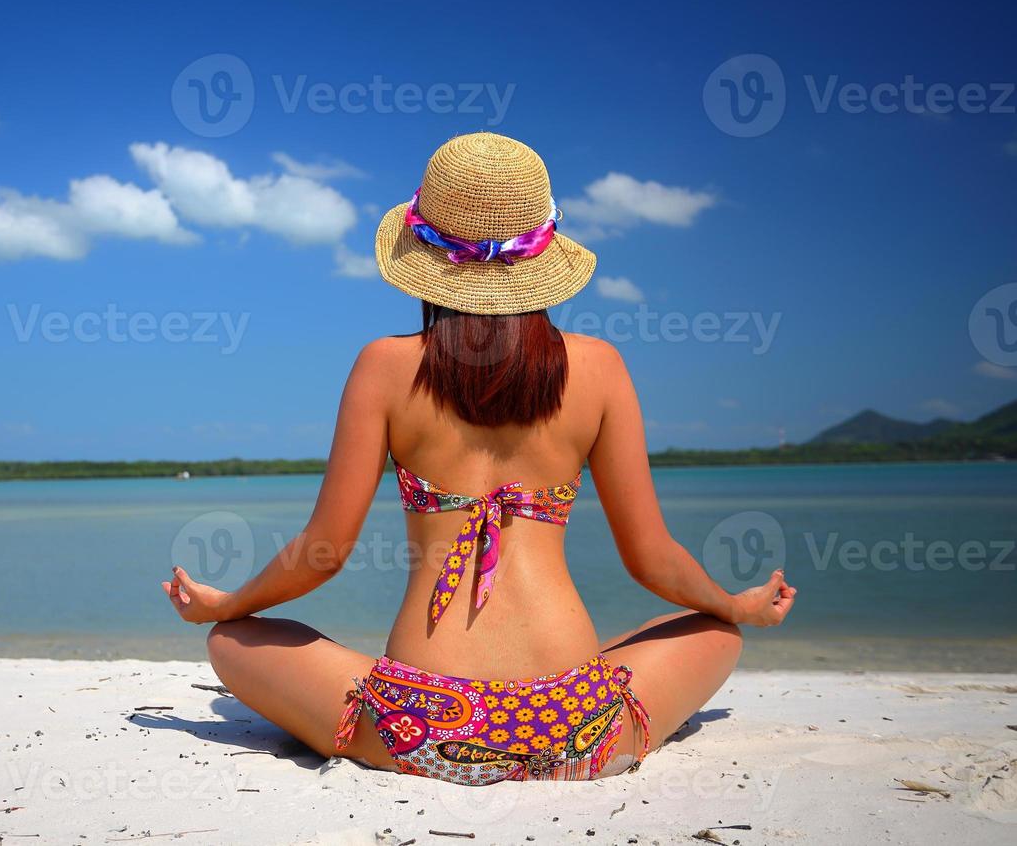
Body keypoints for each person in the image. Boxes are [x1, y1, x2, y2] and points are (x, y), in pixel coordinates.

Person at [162, 132, 795, 784]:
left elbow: (324, 550)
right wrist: (733, 604)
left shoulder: (383, 367)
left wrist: (228, 603)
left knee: (236, 640)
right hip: (575, 727)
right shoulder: (601, 370)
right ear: (543, 256)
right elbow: (651, 557)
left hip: (420, 726)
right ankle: (578, 686)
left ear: (425, 256)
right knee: (712, 630)